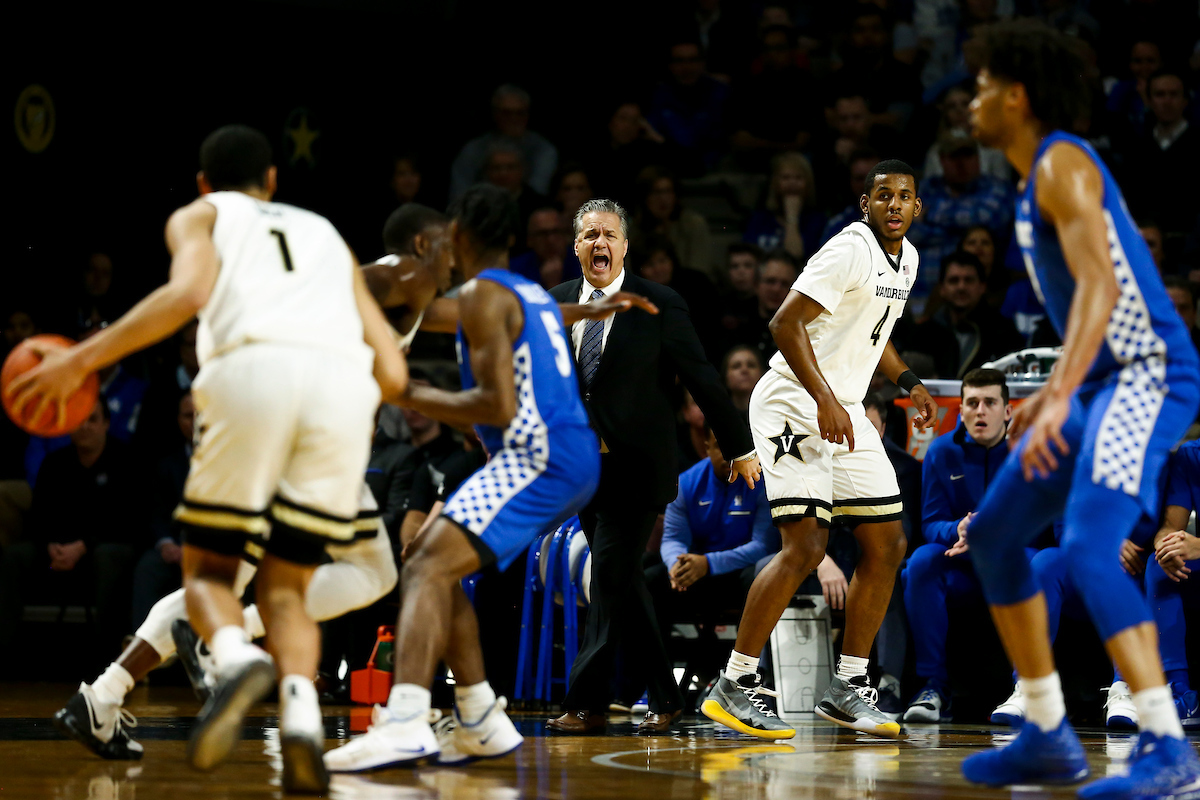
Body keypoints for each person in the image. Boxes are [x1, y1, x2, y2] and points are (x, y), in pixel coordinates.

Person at [7, 125, 408, 793]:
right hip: (337, 396)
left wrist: (81, 357)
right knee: (303, 581)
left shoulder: (202, 212)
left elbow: (188, 296)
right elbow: (393, 374)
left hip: (252, 379)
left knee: (213, 576)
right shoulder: (323, 233)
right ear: (274, 179)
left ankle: (220, 652)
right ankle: (293, 714)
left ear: (203, 184)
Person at [957, 21, 1200, 795]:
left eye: (983, 87)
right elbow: (1097, 302)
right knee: (995, 536)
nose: (971, 102)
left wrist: (1056, 393)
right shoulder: (1037, 182)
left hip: (1148, 376)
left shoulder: (1063, 160)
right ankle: (1046, 731)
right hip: (1099, 379)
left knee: (1091, 549)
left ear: (1017, 95)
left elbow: (1099, 284)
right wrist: (1064, 383)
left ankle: (1166, 746)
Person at [323, 184, 607, 770]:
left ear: (461, 234)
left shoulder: (484, 294)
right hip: (564, 452)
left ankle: (403, 721)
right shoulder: (519, 290)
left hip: (538, 454)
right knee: (430, 555)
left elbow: (498, 407)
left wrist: (411, 392)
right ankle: (480, 718)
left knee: (425, 565)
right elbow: (436, 313)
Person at [702, 159, 939, 740]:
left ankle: (848, 688)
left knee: (887, 542)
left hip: (845, 407)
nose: (893, 205)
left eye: (903, 197)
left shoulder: (906, 260)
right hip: (792, 401)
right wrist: (827, 399)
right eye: (882, 195)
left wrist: (908, 382)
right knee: (806, 546)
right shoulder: (848, 250)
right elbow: (784, 325)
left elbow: (874, 333)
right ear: (865, 204)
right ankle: (733, 685)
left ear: (917, 209)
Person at [546, 198, 760, 736]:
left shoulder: (659, 302)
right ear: (576, 246)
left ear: (624, 246)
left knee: (611, 575)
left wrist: (739, 446)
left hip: (638, 472)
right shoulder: (554, 305)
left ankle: (585, 701)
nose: (600, 243)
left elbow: (703, 378)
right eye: (590, 234)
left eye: (610, 235)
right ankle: (666, 698)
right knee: (624, 584)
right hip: (582, 475)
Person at [900, 369, 1012, 722]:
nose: (981, 411)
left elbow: (1046, 528)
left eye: (990, 403)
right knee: (920, 562)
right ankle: (933, 687)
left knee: (1044, 562)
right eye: (973, 403)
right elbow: (931, 524)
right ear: (960, 409)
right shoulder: (941, 451)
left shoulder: (1028, 449)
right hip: (962, 564)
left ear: (1007, 410)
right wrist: (959, 528)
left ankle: (1026, 686)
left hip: (1012, 562)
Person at [0, 402, 137, 665]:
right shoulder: (55, 463)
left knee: (109, 556)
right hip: (55, 557)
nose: (84, 427)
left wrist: (84, 545)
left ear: (106, 424)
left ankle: (107, 656)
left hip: (98, 553)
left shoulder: (126, 462)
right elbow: (38, 518)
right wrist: (49, 546)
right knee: (15, 556)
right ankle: (6, 651)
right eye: (79, 420)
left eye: (92, 420)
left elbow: (128, 522)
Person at [906, 131, 1015, 306]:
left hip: (978, 297)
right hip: (917, 296)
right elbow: (904, 233)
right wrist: (958, 228)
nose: (961, 163)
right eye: (953, 156)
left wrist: (928, 219)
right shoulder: (926, 188)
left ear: (978, 158)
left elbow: (985, 219)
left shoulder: (996, 188)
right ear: (942, 160)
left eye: (967, 155)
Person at [130, 392, 194, 630]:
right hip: (175, 548)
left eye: (201, 415)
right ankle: (142, 648)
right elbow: (157, 512)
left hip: (217, 550)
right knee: (147, 567)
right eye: (189, 416)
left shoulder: (231, 462)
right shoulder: (167, 464)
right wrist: (166, 543)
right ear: (179, 420)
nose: (195, 421)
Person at [905, 251, 1024, 378]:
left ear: (982, 287)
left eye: (969, 280)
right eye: (953, 281)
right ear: (942, 289)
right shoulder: (923, 334)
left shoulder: (1004, 333)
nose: (961, 287)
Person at [1150, 439, 1200, 726]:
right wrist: (1165, 546)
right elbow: (1171, 526)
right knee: (1158, 564)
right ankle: (1180, 694)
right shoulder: (1191, 454)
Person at [449, 84, 558, 199]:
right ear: (495, 114)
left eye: (519, 113)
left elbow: (538, 193)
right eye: (506, 113)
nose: (513, 119)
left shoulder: (543, 149)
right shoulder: (473, 150)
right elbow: (459, 196)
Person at [1125, 69, 1199, 237]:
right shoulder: (1137, 147)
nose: (1167, 101)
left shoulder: (1196, 143)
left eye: (1174, 94)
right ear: (1149, 101)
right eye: (1160, 94)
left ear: (1185, 100)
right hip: (1145, 241)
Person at [646, 39, 732, 175]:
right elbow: (655, 134)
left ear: (703, 63)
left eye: (693, 60)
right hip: (669, 164)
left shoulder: (720, 93)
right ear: (670, 65)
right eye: (679, 61)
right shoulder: (659, 95)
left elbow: (722, 137)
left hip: (714, 165)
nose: (686, 67)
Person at [743, 152, 826, 265]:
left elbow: (795, 256)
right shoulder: (759, 219)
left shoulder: (817, 221)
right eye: (785, 178)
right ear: (775, 183)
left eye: (798, 178)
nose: (792, 183)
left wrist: (792, 218)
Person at [632, 166, 715, 279]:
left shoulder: (694, 224)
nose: (664, 199)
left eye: (668, 191)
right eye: (656, 192)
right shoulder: (632, 230)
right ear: (644, 197)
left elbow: (699, 273)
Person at [729, 252, 798, 360]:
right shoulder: (736, 329)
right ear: (756, 285)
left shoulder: (802, 333)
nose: (776, 289)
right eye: (770, 281)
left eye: (784, 284)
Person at [723, 345, 764, 414]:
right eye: (736, 366)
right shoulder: (715, 418)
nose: (744, 370)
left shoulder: (779, 414)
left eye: (751, 365)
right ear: (726, 376)